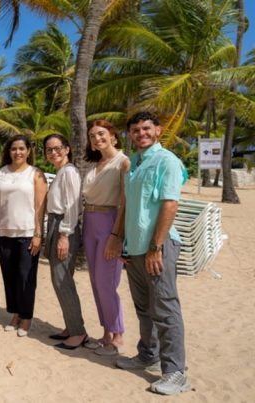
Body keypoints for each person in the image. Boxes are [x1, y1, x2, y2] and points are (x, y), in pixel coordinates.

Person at [112, 112, 190, 396]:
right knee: (144, 308)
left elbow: (170, 204)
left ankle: (176, 372)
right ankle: (148, 354)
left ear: (158, 130)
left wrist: (156, 247)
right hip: (135, 248)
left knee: (165, 308)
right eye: (135, 130)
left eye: (146, 128)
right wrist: (121, 241)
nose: (141, 133)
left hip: (159, 246)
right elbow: (129, 207)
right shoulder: (132, 164)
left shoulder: (167, 161)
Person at [81, 119, 130, 356]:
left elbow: (124, 202)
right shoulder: (97, 164)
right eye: (92, 136)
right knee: (95, 281)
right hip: (89, 222)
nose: (97, 139)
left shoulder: (123, 162)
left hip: (109, 222)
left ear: (113, 136)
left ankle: (118, 336)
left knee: (107, 282)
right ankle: (106, 332)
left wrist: (116, 235)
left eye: (101, 134)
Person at [0, 135, 47, 337]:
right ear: (9, 151)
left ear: (28, 151)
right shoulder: (0, 173)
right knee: (10, 277)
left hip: (27, 233)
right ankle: (15, 313)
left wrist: (38, 234)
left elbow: (40, 207)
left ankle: (26, 317)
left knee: (26, 277)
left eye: (22, 148)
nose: (18, 152)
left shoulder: (35, 174)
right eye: (14, 149)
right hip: (3, 232)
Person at [42, 134, 86, 349]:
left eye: (57, 148)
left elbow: (73, 206)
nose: (53, 152)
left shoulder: (69, 172)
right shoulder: (62, 172)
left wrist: (64, 235)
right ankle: (72, 326)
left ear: (67, 149)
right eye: (49, 149)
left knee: (62, 280)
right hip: (56, 224)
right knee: (60, 279)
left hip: (63, 227)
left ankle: (78, 332)